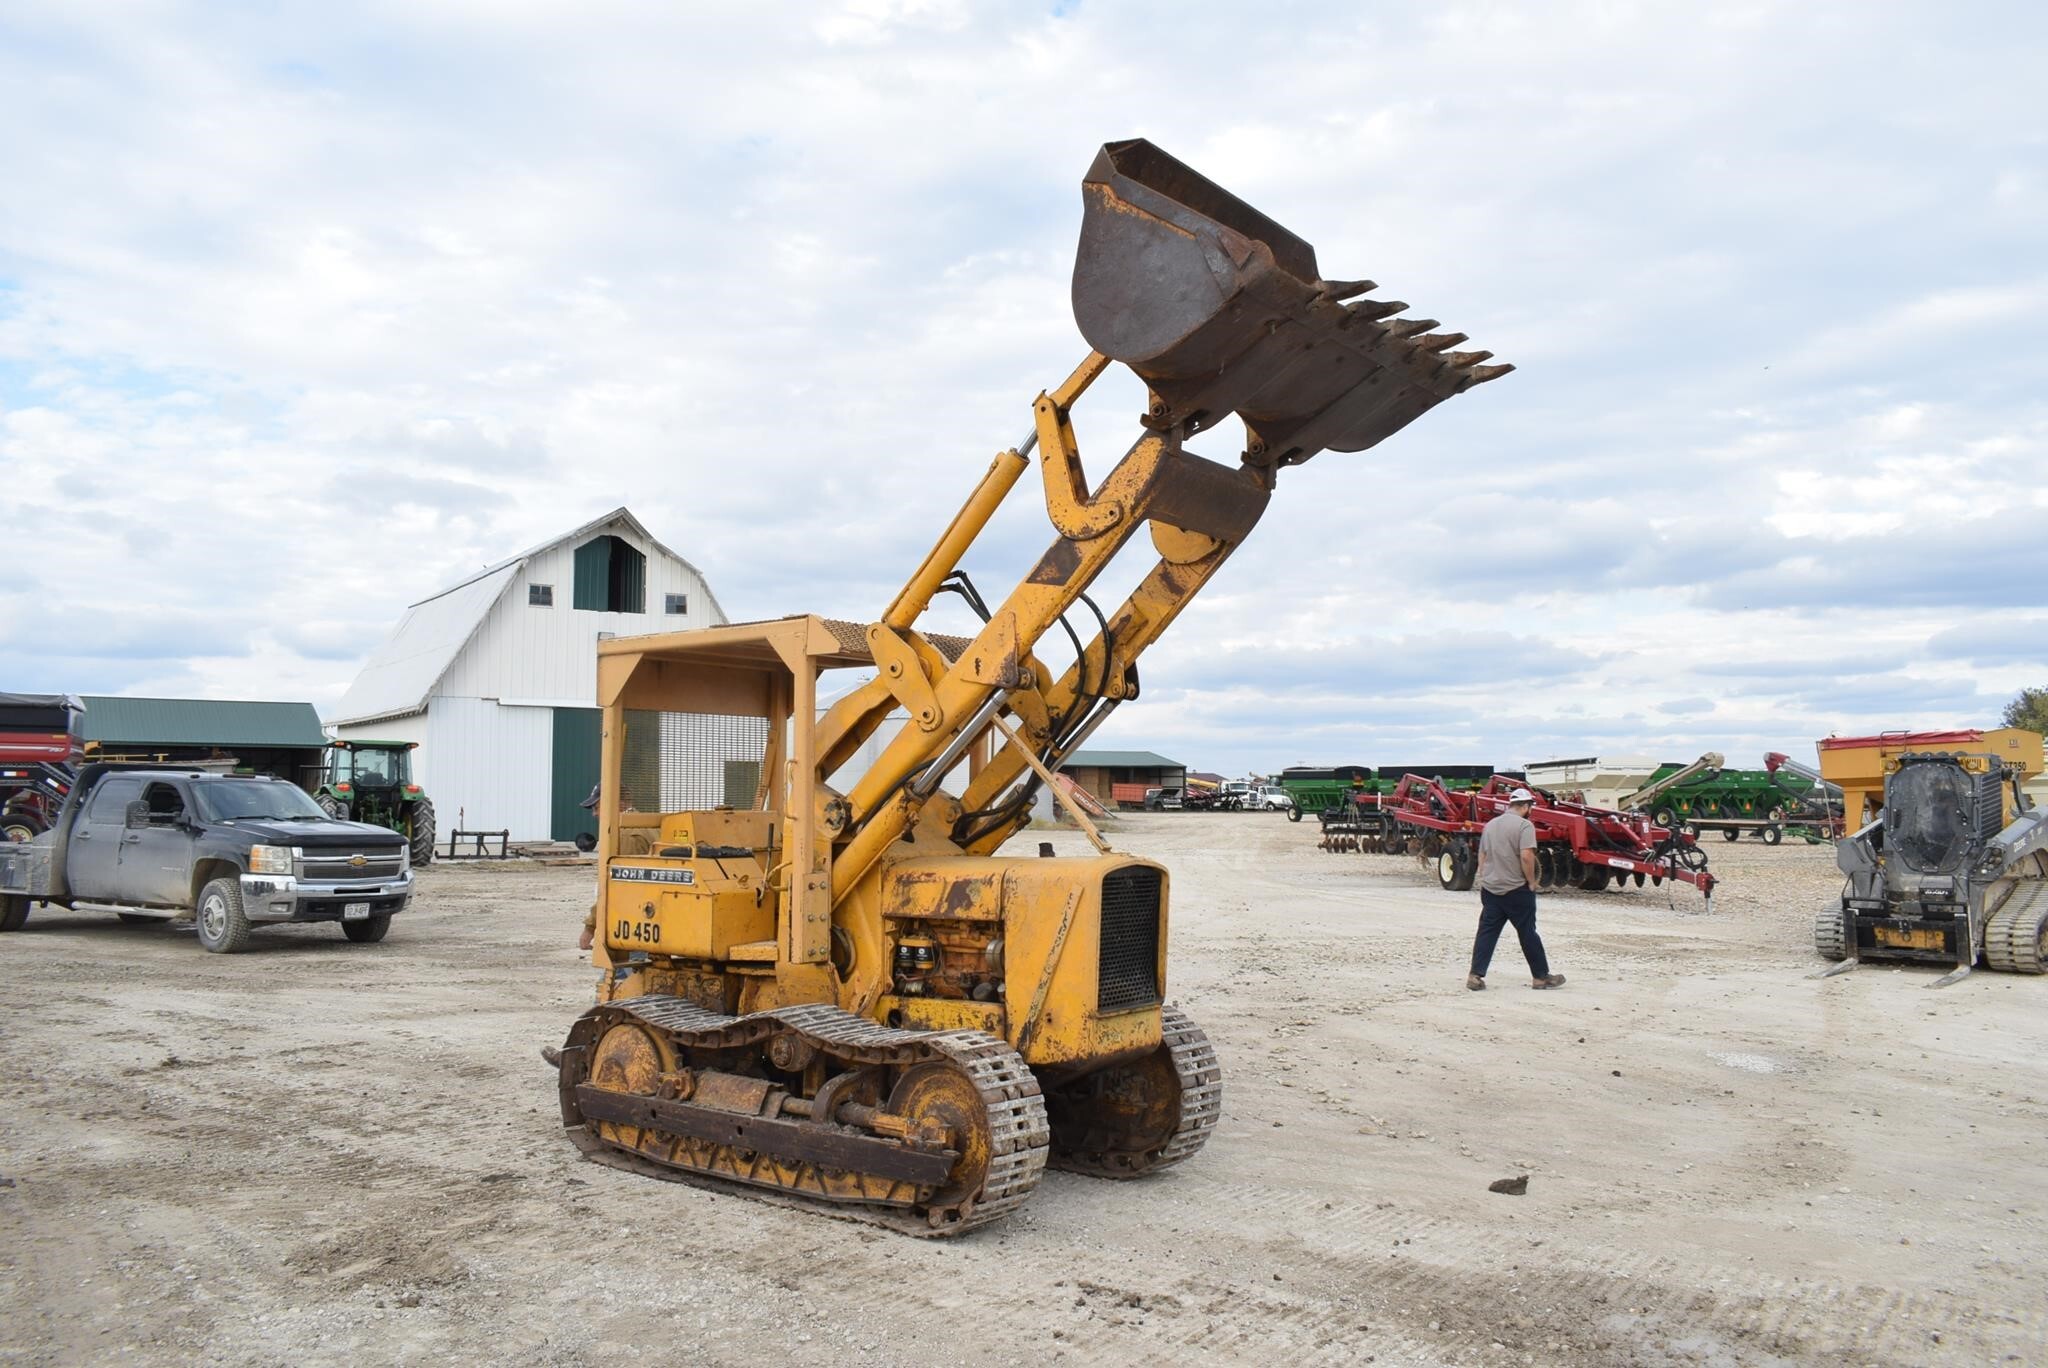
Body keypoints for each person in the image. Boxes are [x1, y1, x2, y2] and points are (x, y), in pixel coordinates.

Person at [1468, 788, 1566, 991]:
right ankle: (1540, 977)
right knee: (1528, 932)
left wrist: (1485, 878)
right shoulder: (1524, 826)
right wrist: (1531, 881)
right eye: (1530, 807)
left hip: (1491, 889)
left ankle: (1475, 976)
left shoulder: (1490, 825)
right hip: (1516, 889)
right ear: (1525, 806)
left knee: (1487, 932)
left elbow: (1482, 855)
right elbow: (1527, 856)